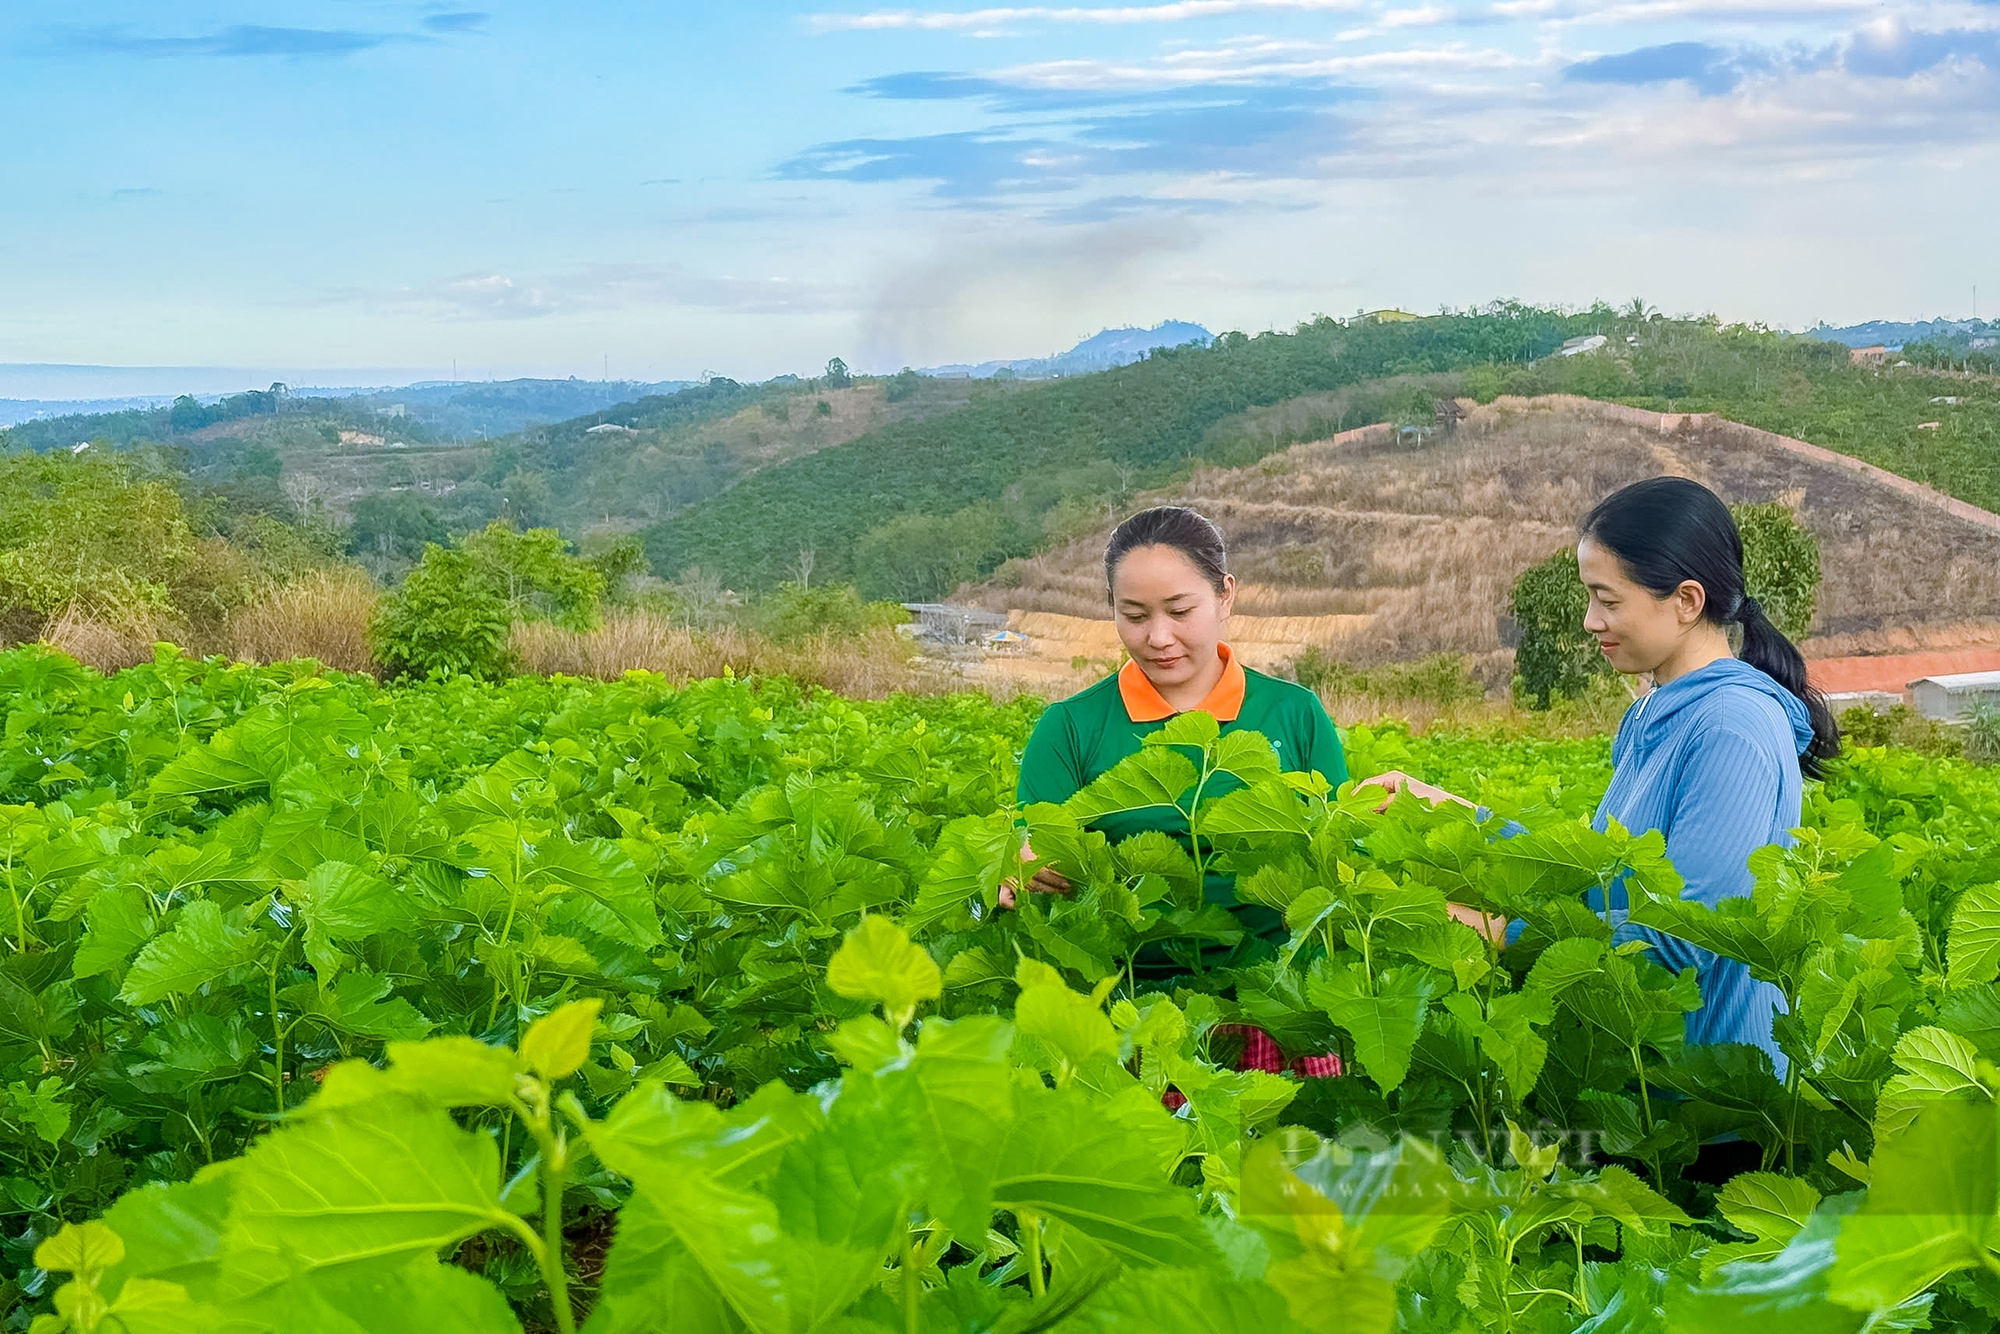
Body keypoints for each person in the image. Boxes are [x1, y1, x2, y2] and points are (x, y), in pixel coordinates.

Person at [1366, 476, 1839, 1079]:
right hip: (1643, 1081)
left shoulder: (1731, 726)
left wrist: (1483, 930)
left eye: (1608, 600)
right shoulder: (1657, 709)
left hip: (1711, 1107)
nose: (1591, 621)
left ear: (1687, 602)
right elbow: (1598, 881)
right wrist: (1448, 812)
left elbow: (1680, 940)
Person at [1008, 506, 1351, 1077]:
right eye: (1135, 615)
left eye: (1180, 611)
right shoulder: (1070, 727)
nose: (1158, 638)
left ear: (1226, 597)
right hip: (1133, 1017)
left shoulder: (1294, 715)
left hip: (1281, 1005)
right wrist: (1027, 868)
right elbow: (1029, 852)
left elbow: (1337, 860)